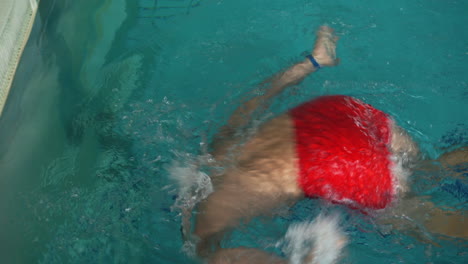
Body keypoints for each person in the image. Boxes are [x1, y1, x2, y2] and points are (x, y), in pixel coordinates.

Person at [187, 26, 467, 263]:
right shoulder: (219, 148)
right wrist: (311, 62)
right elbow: (254, 101)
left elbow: (224, 258)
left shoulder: (203, 229)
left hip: (332, 164)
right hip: (331, 113)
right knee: (423, 170)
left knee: (419, 217)